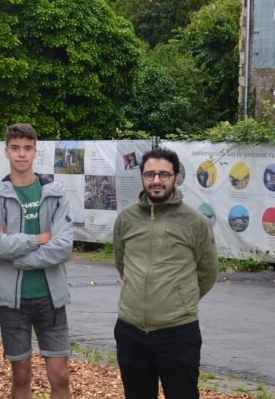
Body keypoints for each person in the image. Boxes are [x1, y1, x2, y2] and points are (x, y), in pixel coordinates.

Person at [112, 147, 218, 399]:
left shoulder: (195, 222)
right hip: (130, 330)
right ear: (142, 177)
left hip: (177, 331)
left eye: (163, 174)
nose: (156, 180)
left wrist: (180, 298)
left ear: (176, 178)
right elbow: (121, 262)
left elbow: (208, 271)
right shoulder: (126, 218)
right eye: (150, 174)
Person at [0, 123, 74, 399]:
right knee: (21, 375)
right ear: (6, 151)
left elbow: (63, 247)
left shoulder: (55, 192)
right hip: (12, 300)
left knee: (60, 375)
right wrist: (36, 239)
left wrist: (17, 257)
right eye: (16, 148)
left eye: (28, 148)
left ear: (36, 152)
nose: (22, 154)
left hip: (51, 296)